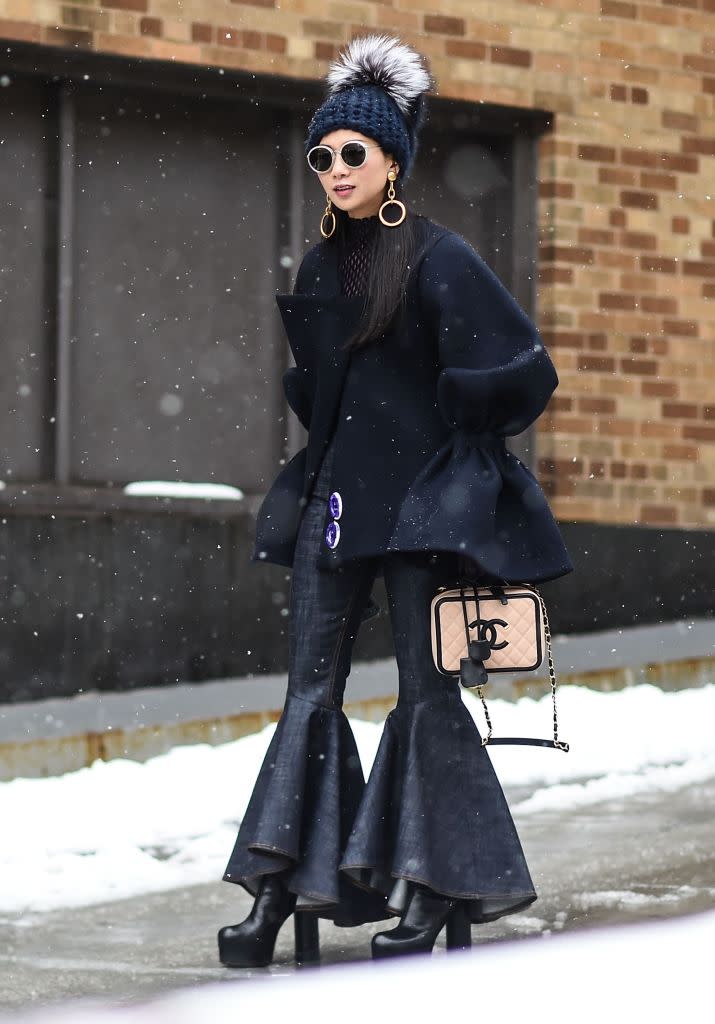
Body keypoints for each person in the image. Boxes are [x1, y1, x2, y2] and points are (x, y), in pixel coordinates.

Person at [218, 33, 574, 966]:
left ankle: (432, 883)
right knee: (307, 696)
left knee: (426, 697)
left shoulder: (440, 256)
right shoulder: (320, 269)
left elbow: (515, 369)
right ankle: (278, 891)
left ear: (392, 163)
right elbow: (324, 400)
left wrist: (464, 450)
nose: (334, 170)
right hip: (337, 507)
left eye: (353, 154)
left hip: (420, 508)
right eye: (322, 155)